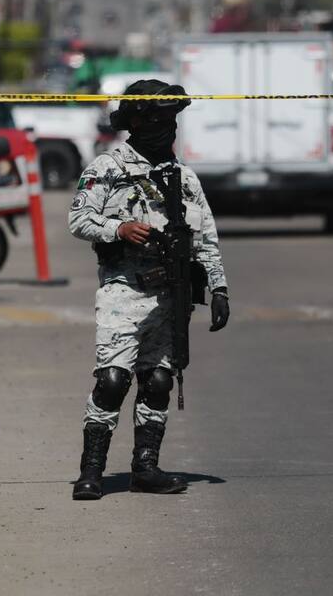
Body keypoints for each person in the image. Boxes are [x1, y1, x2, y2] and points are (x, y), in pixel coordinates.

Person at [67, 79, 230, 500]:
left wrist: (218, 288)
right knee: (113, 379)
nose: (168, 129)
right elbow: (78, 220)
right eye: (160, 119)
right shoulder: (109, 169)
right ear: (137, 122)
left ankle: (146, 468)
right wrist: (118, 228)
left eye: (172, 120)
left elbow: (206, 238)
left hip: (169, 296)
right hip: (124, 290)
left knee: (158, 380)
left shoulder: (184, 178)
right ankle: (91, 472)